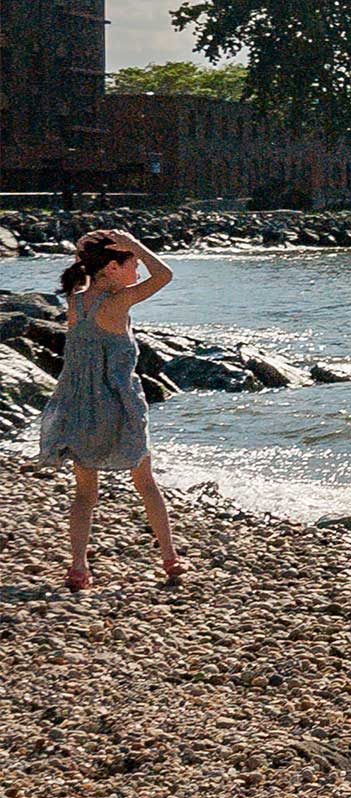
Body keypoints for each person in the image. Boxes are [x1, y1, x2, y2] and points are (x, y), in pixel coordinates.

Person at [38, 229, 180, 592]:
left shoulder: (77, 301)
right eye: (132, 265)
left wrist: (107, 248)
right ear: (114, 267)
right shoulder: (118, 304)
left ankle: (79, 567)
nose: (137, 271)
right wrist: (135, 242)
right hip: (117, 407)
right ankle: (169, 558)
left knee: (85, 493)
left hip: (79, 406)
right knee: (145, 482)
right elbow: (164, 275)